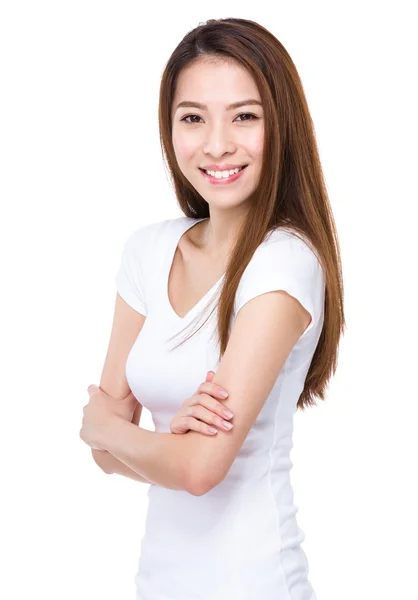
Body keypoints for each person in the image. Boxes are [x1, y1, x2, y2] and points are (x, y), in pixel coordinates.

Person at [83, 17, 345, 600]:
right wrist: (163, 445)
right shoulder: (147, 251)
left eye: (245, 116)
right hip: (158, 582)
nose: (217, 143)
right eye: (193, 117)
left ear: (282, 128)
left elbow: (197, 469)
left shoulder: (286, 262)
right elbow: (106, 457)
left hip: (255, 583)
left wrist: (111, 428)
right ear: (169, 128)